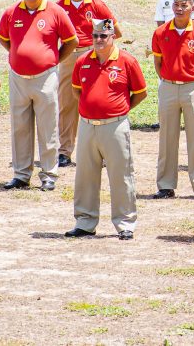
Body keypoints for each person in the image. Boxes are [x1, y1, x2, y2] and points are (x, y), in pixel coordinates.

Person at [65, 19, 147, 240]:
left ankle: (125, 223)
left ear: (112, 37)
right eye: (95, 36)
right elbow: (76, 91)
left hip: (115, 126)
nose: (99, 40)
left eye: (104, 36)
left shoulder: (127, 61)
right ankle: (85, 221)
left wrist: (119, 109)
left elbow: (140, 92)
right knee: (85, 175)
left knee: (121, 175)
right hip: (87, 126)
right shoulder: (83, 61)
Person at [0, 0, 78, 191]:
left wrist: (52, 60)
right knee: (19, 126)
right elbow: (5, 40)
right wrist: (20, 56)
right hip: (18, 79)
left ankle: (49, 174)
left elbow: (71, 42)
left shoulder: (56, 12)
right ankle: (21, 174)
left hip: (45, 78)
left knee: (47, 126)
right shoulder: (11, 12)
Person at [56, 0, 121, 169]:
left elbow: (116, 32)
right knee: (67, 103)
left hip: (91, 54)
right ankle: (65, 151)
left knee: (94, 100)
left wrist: (97, 48)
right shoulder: (59, 6)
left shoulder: (97, 5)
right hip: (68, 56)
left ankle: (99, 150)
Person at [151, 0, 194, 200]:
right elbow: (158, 63)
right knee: (167, 137)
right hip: (168, 87)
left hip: (193, 87)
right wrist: (168, 80)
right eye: (176, 5)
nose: (179, 9)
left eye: (183, 6)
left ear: (192, 8)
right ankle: (166, 184)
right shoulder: (160, 32)